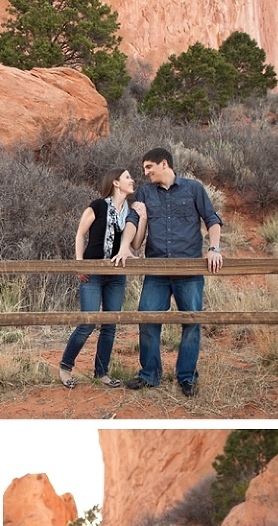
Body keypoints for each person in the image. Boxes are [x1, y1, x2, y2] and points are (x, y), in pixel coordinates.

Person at [113, 147, 223, 397]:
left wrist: (214, 248)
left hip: (189, 270)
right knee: (147, 318)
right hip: (157, 271)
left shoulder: (193, 189)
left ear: (164, 164)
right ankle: (149, 375)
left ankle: (187, 377)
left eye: (149, 167)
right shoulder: (144, 193)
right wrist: (124, 246)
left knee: (191, 322)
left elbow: (212, 219)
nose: (145, 173)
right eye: (144, 169)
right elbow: (132, 221)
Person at [58, 168, 147, 388]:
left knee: (110, 325)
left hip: (116, 275)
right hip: (93, 272)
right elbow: (80, 234)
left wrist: (143, 217)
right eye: (127, 177)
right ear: (116, 182)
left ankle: (101, 373)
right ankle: (65, 367)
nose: (132, 180)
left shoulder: (130, 213)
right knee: (87, 323)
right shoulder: (97, 206)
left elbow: (136, 244)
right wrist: (79, 263)